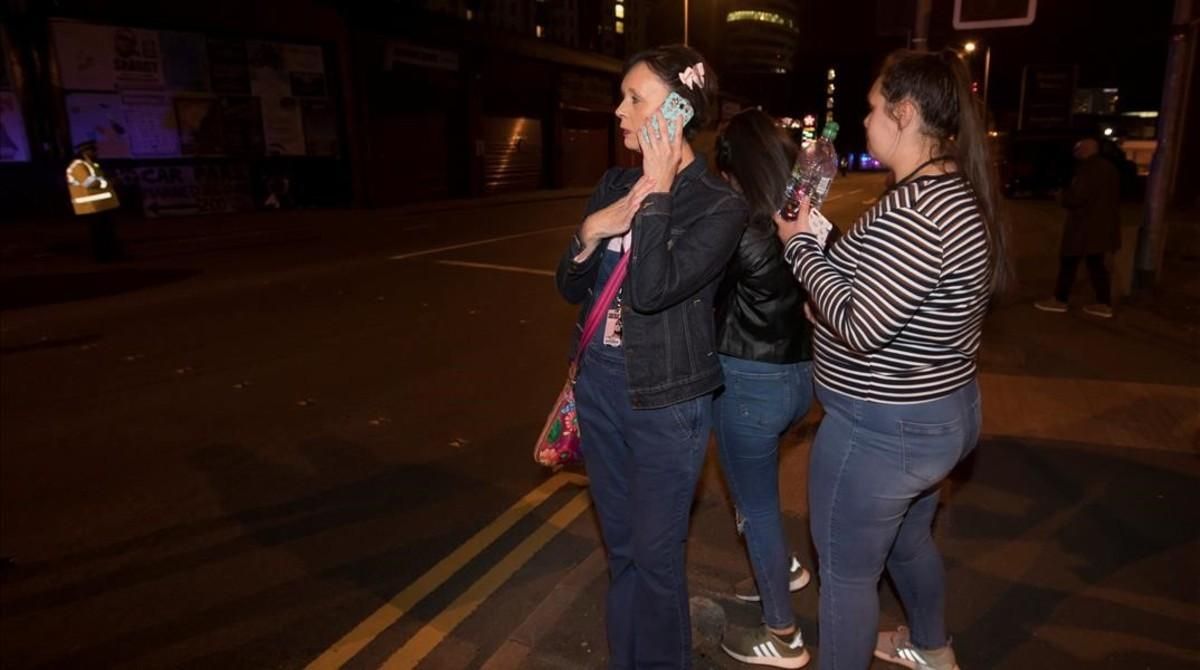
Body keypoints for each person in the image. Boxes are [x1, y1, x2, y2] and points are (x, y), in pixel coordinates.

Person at [775, 48, 1009, 670]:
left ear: (904, 114)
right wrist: (825, 292)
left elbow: (861, 325)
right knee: (907, 542)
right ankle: (930, 646)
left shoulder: (915, 210)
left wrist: (799, 248)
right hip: (938, 415)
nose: (865, 120)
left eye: (874, 108)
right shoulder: (951, 193)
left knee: (847, 575)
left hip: (882, 429)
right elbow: (887, 299)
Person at [555, 45, 747, 669]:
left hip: (667, 402)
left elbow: (652, 290)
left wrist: (658, 194)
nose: (619, 111)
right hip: (601, 390)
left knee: (658, 562)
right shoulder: (615, 183)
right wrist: (591, 231)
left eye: (634, 98)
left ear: (679, 111)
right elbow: (569, 285)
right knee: (623, 552)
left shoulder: (719, 207)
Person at [710, 109, 816, 669]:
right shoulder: (806, 217)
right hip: (800, 379)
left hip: (749, 383)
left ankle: (783, 636)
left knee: (756, 508)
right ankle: (785, 571)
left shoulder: (741, 224)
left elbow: (703, 297)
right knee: (762, 499)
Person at [1034, 137, 1121, 318]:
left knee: (1069, 261)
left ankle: (1060, 299)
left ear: (1085, 150)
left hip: (1084, 226)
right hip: (1102, 226)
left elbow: (1078, 197)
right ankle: (1104, 303)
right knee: (1096, 264)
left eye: (1078, 149)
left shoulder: (1088, 170)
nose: (1075, 153)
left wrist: (1061, 196)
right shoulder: (1109, 168)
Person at [65, 140, 122, 262]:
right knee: (100, 234)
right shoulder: (78, 165)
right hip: (92, 207)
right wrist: (108, 182)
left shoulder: (90, 164)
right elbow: (89, 183)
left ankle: (111, 255)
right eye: (92, 150)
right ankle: (104, 257)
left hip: (101, 205)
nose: (95, 152)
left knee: (107, 232)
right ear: (84, 152)